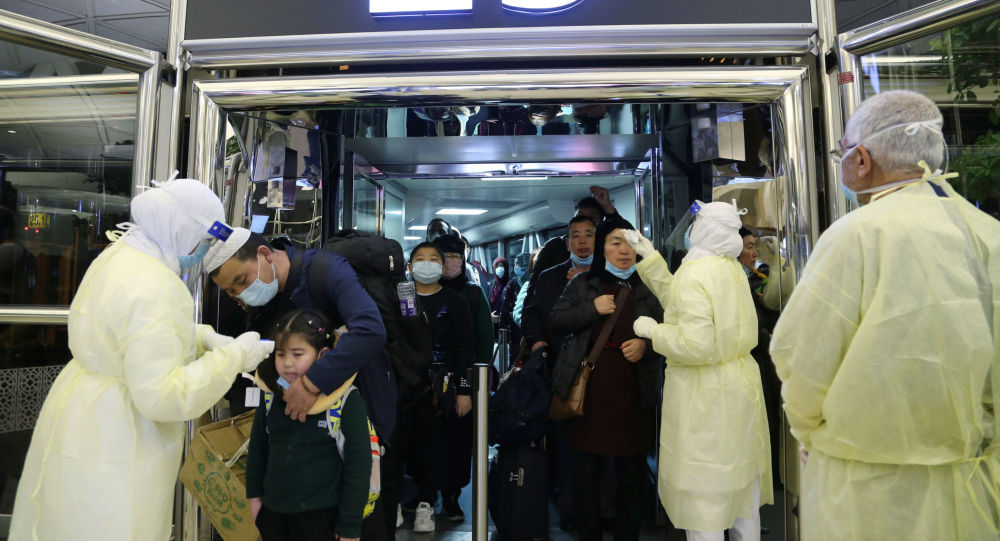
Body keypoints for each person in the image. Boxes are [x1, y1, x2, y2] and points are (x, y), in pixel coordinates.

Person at [770, 89, 1000, 541]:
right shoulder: (987, 232)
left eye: (840, 152)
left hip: (872, 490)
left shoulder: (858, 234)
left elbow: (802, 357)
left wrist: (810, 435)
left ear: (861, 160)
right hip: (979, 482)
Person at [9, 179, 274, 541]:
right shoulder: (157, 285)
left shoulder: (121, 255)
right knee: (115, 526)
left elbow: (127, 333)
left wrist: (201, 338)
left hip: (81, 411)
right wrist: (234, 357)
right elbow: (164, 396)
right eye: (204, 239)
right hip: (120, 433)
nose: (203, 249)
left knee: (66, 519)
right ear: (182, 230)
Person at [204, 229, 397, 540]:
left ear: (265, 254)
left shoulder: (326, 271)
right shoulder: (260, 305)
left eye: (241, 281)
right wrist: (286, 385)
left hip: (352, 419)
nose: (240, 294)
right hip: (298, 450)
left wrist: (310, 384)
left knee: (361, 517)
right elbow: (267, 365)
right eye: (231, 291)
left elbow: (370, 330)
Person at [629, 201, 773, 541]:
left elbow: (695, 344)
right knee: (742, 500)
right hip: (739, 386)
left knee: (704, 501)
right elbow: (682, 301)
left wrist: (653, 331)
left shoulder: (696, 273)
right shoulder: (730, 269)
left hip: (705, 395)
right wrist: (651, 260)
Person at [547, 224, 660, 541]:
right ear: (602, 249)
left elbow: (672, 330)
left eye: (630, 244)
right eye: (615, 243)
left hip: (634, 393)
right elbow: (555, 321)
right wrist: (591, 309)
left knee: (632, 477)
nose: (624, 250)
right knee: (586, 475)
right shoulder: (584, 283)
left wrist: (647, 345)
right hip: (590, 393)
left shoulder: (650, 286)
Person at [247, 309, 372, 541]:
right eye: (281, 354)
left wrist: (350, 525)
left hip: (323, 519)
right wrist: (255, 501)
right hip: (273, 516)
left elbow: (359, 467)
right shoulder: (270, 395)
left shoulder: (345, 400)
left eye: (297, 354)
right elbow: (257, 449)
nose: (287, 363)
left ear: (322, 355)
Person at [395, 242, 475, 533]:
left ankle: (437, 500)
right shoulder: (402, 295)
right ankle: (410, 497)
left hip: (444, 384)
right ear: (409, 266)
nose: (426, 264)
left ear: (442, 268)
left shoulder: (454, 301)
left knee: (441, 442)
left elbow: (466, 349)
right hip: (406, 383)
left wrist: (464, 390)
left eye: (433, 259)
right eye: (420, 258)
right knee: (407, 443)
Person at [522, 215, 597, 362]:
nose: (582, 241)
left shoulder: (607, 277)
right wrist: (537, 342)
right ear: (568, 244)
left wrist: (583, 284)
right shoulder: (548, 277)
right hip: (555, 358)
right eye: (576, 236)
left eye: (588, 235)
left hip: (595, 360)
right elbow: (532, 313)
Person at [532, 187, 634, 278]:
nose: (584, 221)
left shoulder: (605, 250)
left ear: (599, 223)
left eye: (591, 218)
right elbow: (535, 285)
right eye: (580, 216)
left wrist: (609, 208)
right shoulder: (554, 247)